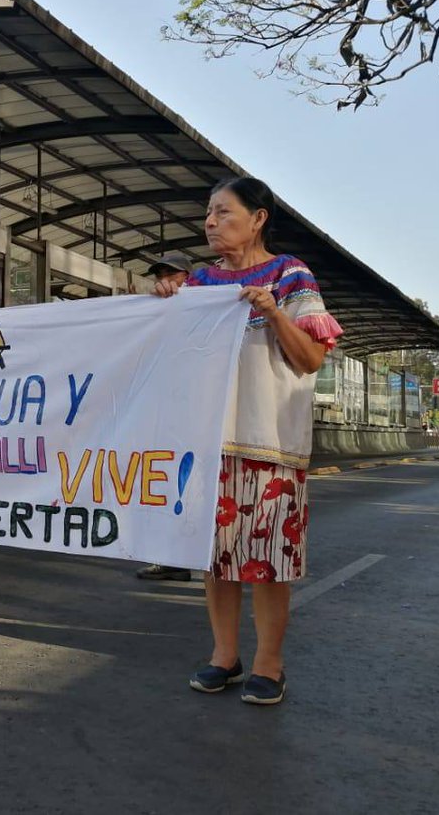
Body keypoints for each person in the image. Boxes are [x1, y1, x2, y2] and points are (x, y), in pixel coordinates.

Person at [154, 177, 342, 706]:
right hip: (210, 443)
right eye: (208, 213)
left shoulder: (291, 274)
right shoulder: (198, 282)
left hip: (270, 444)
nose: (210, 222)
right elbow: (167, 356)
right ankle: (224, 656)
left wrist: (276, 311)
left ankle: (269, 664)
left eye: (222, 211)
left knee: (267, 561)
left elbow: (310, 359)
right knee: (215, 559)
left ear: (258, 218)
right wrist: (164, 303)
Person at [136, 251, 194, 582]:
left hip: (196, 411)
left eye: (173, 274)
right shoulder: (156, 307)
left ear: (190, 277)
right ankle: (172, 556)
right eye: (161, 274)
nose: (166, 280)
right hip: (165, 410)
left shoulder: (204, 303)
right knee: (166, 483)